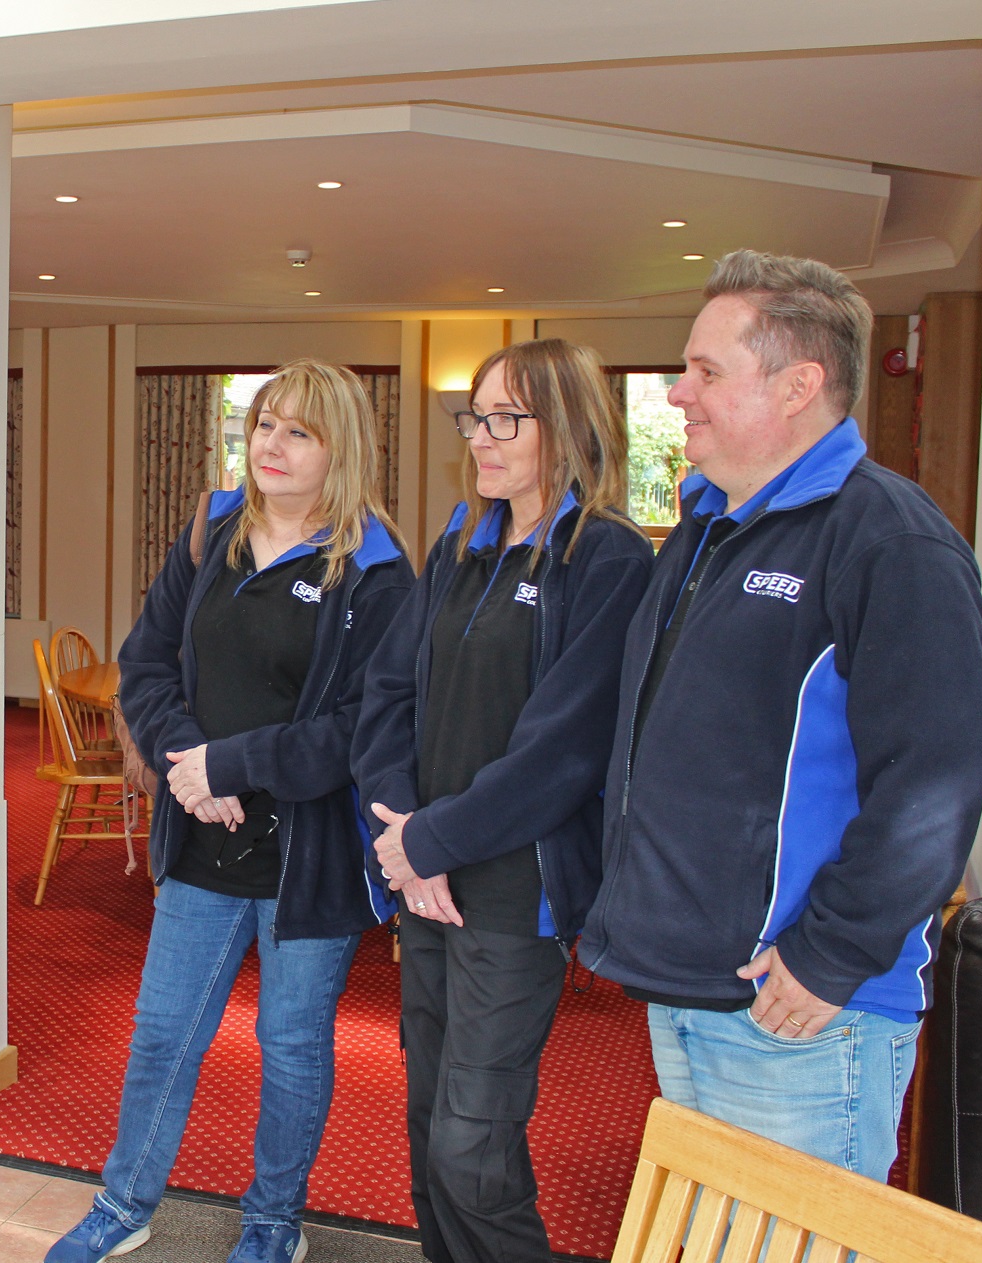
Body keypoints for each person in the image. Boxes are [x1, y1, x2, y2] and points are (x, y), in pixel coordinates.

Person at [576, 250, 982, 1180]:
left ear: (798, 385)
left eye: (706, 371)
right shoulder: (705, 527)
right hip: (689, 984)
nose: (677, 392)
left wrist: (830, 955)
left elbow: (939, 778)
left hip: (801, 1003)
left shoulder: (888, 539)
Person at [47, 359, 412, 1263]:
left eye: (298, 431)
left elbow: (357, 727)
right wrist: (185, 764)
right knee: (165, 1030)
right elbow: (146, 661)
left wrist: (229, 765)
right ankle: (125, 1201)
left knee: (291, 1045)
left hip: (308, 854)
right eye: (262, 426)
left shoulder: (374, 568)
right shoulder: (213, 529)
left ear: (342, 448)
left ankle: (273, 1223)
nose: (272, 447)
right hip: (200, 834)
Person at [353, 340, 652, 1263]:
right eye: (473, 417)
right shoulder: (460, 545)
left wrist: (429, 843)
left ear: (566, 427)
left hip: (511, 888)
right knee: (425, 1122)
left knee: (471, 1144)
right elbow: (386, 695)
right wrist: (402, 833)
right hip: (425, 872)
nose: (479, 436)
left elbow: (560, 750)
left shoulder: (604, 557)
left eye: (502, 419)